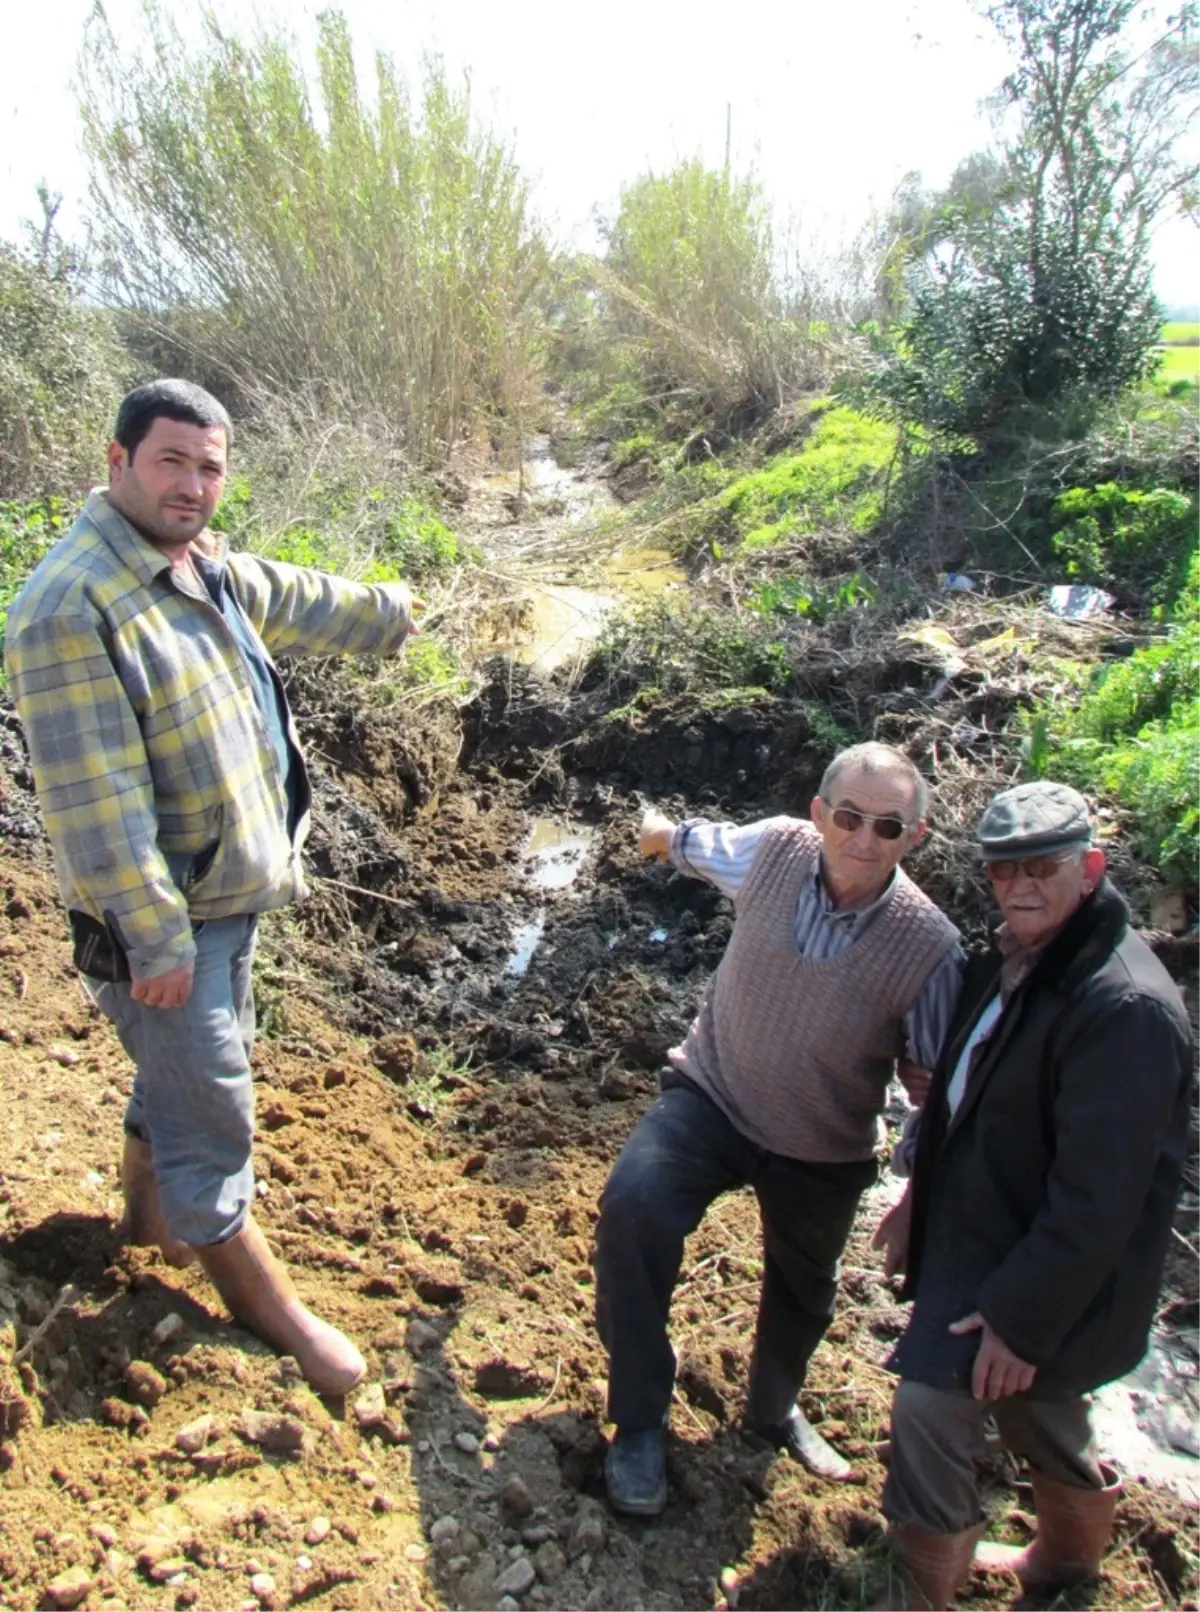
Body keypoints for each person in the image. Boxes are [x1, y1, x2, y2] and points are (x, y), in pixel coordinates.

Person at [4, 378, 418, 1395]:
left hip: (222, 893)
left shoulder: (195, 565)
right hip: (163, 921)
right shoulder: (71, 606)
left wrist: (396, 615)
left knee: (181, 1072)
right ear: (116, 462)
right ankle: (261, 1300)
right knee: (214, 1101)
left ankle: (148, 1233)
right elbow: (95, 803)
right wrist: (156, 940)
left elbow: (296, 595)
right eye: (171, 462)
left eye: (209, 466)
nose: (192, 484)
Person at [593, 742, 964, 1516]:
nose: (864, 841)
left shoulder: (932, 949)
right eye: (851, 818)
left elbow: (932, 1087)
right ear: (820, 814)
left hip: (822, 1141)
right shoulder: (774, 851)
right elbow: (698, 844)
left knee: (805, 1290)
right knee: (634, 1208)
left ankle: (773, 1408)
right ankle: (637, 1422)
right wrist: (654, 832)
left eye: (889, 828)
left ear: (915, 838)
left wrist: (916, 1188)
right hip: (714, 1094)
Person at [869, 780, 1194, 1612]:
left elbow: (1099, 1201)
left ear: (1090, 867)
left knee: (930, 1410)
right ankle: (1063, 1566)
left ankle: (919, 1590)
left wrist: (1019, 1316)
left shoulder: (1122, 1008)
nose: (1019, 885)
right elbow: (960, 1091)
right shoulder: (1020, 952)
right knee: (1042, 1413)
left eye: (1042, 866)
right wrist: (918, 1197)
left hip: (1045, 1275)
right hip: (986, 1233)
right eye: (1002, 869)